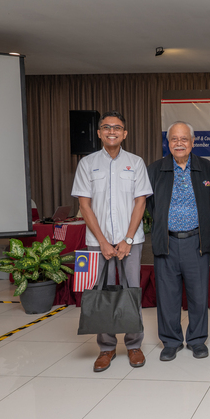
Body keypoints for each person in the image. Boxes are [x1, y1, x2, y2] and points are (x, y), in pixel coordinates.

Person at [71, 110, 152, 372]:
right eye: (106, 127)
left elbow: (140, 202)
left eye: (117, 128)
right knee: (102, 292)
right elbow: (84, 205)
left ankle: (134, 345)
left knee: (131, 290)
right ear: (99, 133)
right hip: (98, 243)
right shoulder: (87, 164)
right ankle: (106, 348)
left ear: (124, 133)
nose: (112, 131)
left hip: (131, 242)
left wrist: (127, 239)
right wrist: (103, 241)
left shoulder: (136, 162)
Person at [147, 121, 210, 361]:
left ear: (193, 142)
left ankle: (197, 340)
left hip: (196, 242)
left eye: (184, 139)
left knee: (198, 295)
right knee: (167, 296)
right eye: (174, 139)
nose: (179, 143)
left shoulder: (207, 168)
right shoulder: (155, 169)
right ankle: (171, 341)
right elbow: (150, 205)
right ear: (168, 143)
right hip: (166, 242)